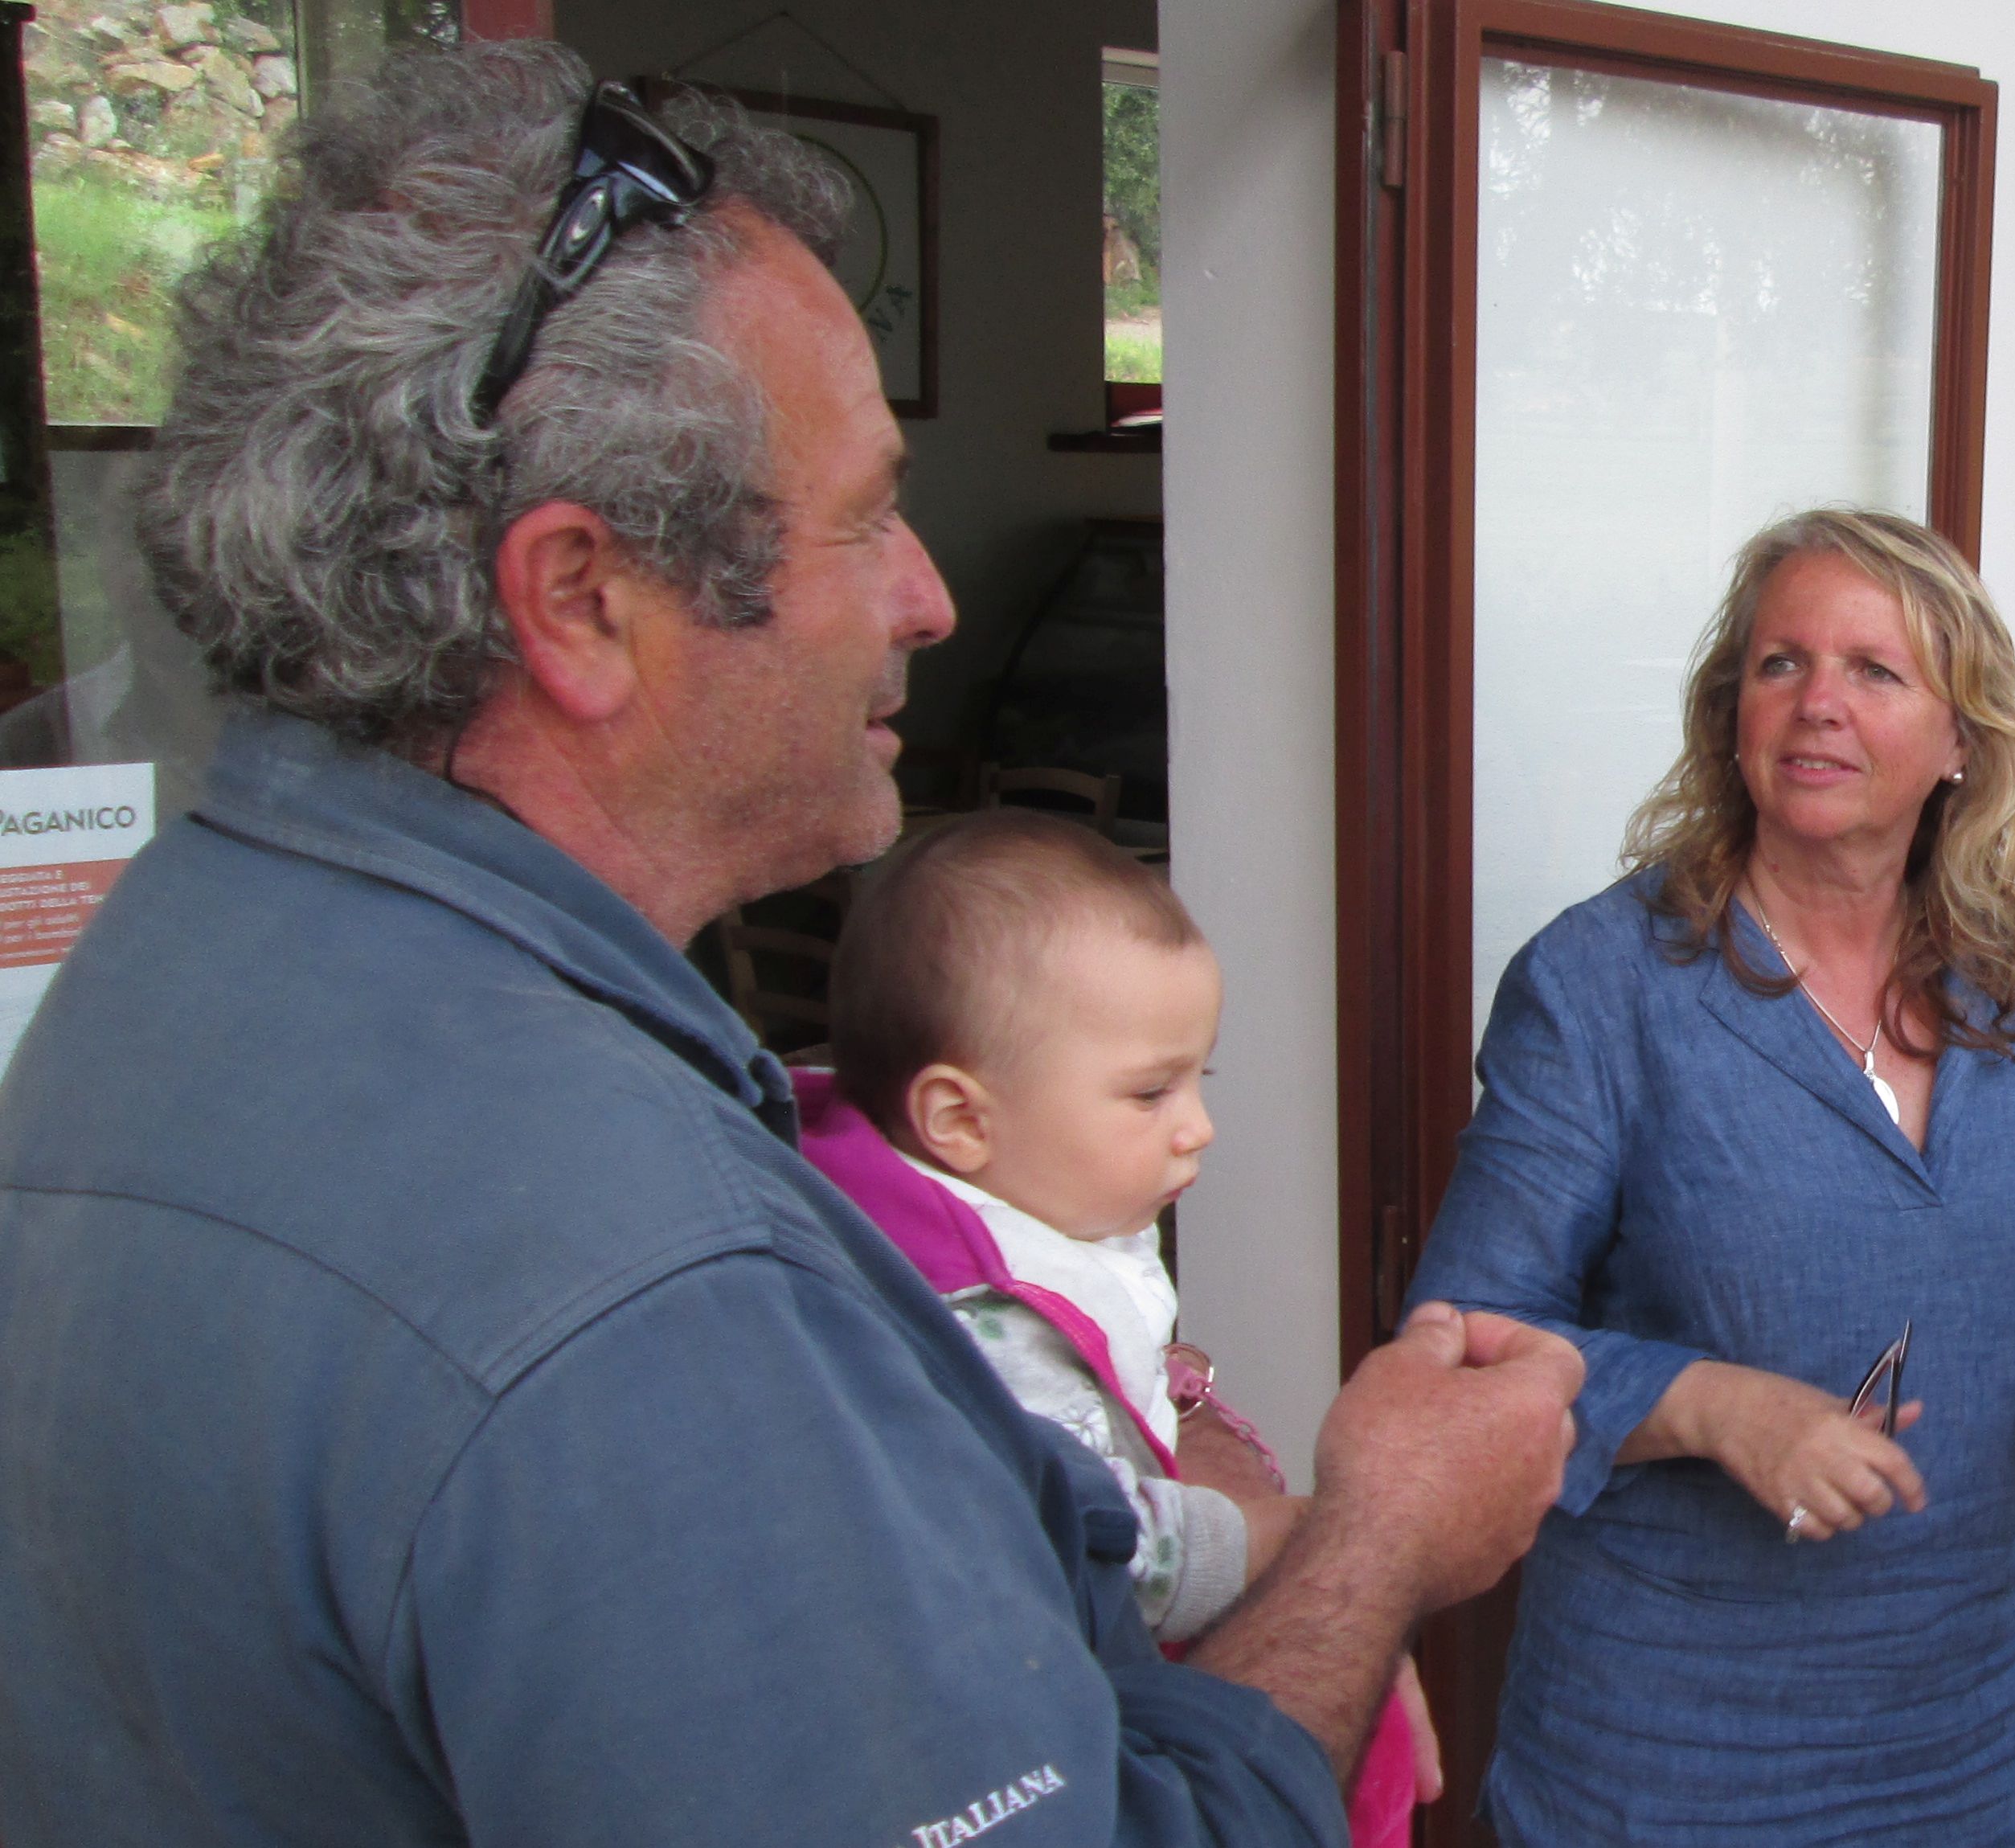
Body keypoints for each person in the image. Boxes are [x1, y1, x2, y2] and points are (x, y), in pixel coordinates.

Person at [0, 47, 1579, 1846]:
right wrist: (1378, 1549)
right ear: (583, 600)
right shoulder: (630, 1280)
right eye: (860, 518)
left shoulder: (178, 969)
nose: (931, 593)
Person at [1405, 508, 2015, 1845]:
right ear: (1731, 714)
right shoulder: (1600, 990)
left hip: (2001, 1715)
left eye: (1873, 672)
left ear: (1959, 740)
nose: (1816, 703)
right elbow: (1461, 1348)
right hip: (1689, 1748)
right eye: (1780, 664)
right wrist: (1711, 1404)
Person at [792, 809, 1432, 1844]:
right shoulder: (979, 1324)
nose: (1199, 1125)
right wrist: (1287, 1536)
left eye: (1198, 1079)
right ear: (961, 1119)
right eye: (1150, 1091)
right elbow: (1115, 1559)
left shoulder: (1021, 1207)